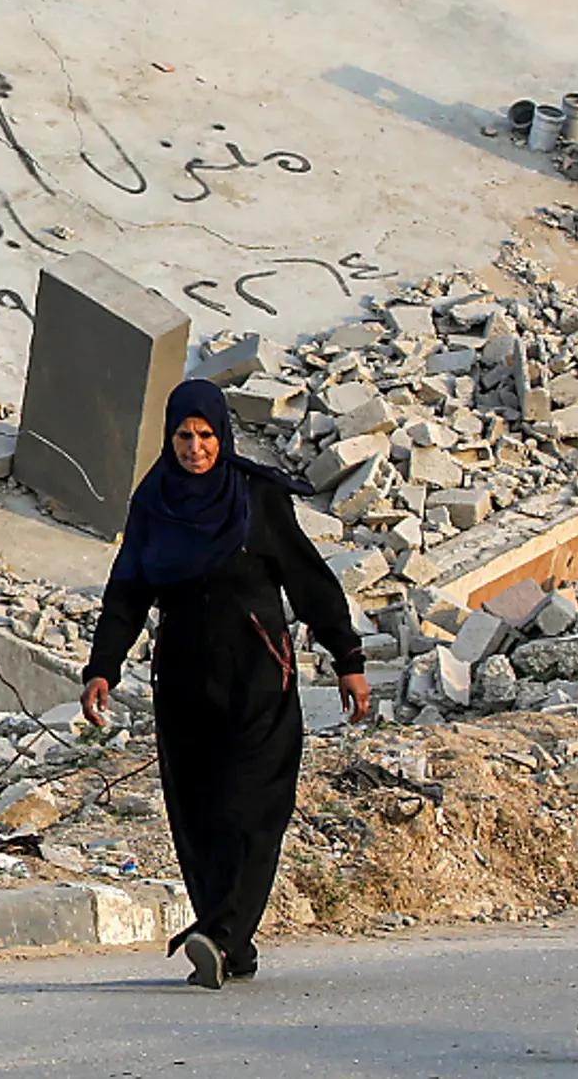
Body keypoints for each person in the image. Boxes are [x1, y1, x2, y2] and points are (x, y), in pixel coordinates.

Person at [81, 380, 369, 990]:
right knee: (200, 815)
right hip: (184, 681)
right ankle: (228, 940)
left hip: (259, 676)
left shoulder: (255, 497)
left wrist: (347, 656)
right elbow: (128, 590)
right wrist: (103, 666)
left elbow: (307, 579)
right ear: (169, 436)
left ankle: (221, 932)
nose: (194, 447)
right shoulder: (155, 502)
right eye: (183, 435)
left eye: (206, 435)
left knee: (254, 809)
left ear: (222, 435)